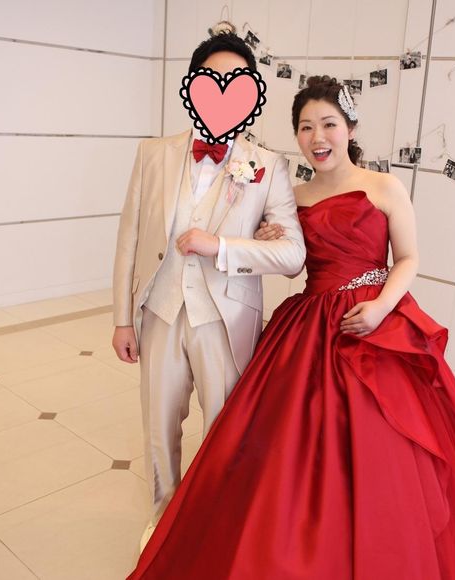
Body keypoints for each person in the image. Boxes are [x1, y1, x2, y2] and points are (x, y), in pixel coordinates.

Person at [126, 76, 455, 579]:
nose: (317, 137)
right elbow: (292, 265)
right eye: (305, 127)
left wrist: (381, 307)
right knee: (288, 447)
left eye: (328, 124)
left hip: (373, 320)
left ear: (350, 128)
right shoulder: (292, 195)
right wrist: (268, 238)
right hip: (310, 321)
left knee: (386, 448)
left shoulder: (384, 186)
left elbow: (408, 258)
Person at [112, 29, 305, 550]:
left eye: (235, 80)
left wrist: (223, 246)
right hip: (159, 310)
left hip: (228, 316)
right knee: (159, 426)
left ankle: (216, 529)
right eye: (212, 78)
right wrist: (122, 319)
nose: (223, 88)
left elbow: (292, 256)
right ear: (194, 84)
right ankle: (162, 523)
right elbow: (129, 238)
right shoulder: (153, 154)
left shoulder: (267, 165)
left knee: (224, 431)